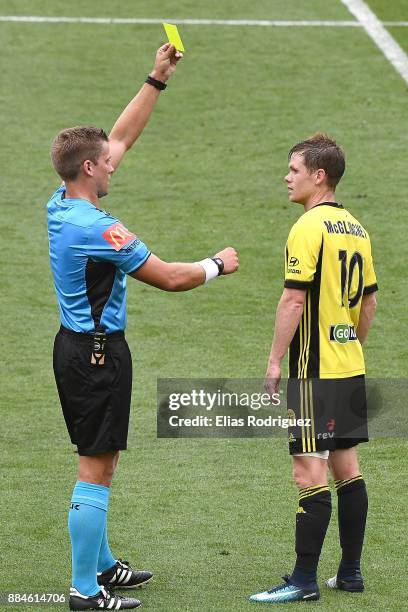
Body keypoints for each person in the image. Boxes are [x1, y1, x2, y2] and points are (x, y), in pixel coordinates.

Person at [47, 44, 239, 611]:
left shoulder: (61, 203)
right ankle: (85, 590)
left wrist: (156, 80)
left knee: (101, 459)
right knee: (95, 468)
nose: (115, 162)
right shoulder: (98, 229)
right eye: (106, 161)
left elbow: (122, 137)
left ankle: (103, 566)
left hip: (79, 347)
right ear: (89, 168)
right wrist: (216, 265)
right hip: (98, 356)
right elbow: (170, 278)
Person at [250, 133, 377, 604]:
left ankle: (303, 580)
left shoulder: (308, 227)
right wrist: (351, 346)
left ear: (318, 176)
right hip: (348, 367)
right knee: (347, 467)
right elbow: (370, 302)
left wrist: (275, 359)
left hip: (313, 372)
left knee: (308, 473)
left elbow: (293, 297)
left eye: (294, 170)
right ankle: (350, 573)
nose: (287, 177)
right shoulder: (357, 229)